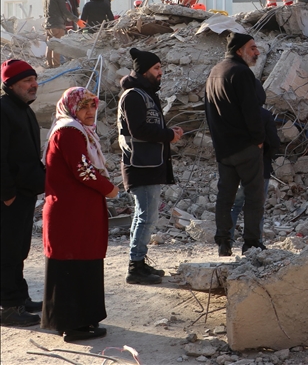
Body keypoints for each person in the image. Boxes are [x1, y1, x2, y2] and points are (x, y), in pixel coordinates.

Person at [42, 87, 119, 342]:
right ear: (71, 108)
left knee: (81, 262)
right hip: (71, 214)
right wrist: (109, 189)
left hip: (78, 212)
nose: (90, 111)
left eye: (92, 105)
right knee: (73, 264)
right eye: (83, 106)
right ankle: (73, 324)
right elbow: (83, 169)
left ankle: (82, 320)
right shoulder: (69, 131)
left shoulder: (79, 131)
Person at [118, 48, 183, 285]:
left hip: (148, 163)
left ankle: (139, 261)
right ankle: (135, 267)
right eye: (156, 68)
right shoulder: (134, 96)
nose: (160, 72)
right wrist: (168, 135)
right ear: (144, 71)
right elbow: (139, 130)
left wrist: (169, 133)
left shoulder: (144, 94)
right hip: (141, 165)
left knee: (143, 215)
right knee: (147, 216)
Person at [204, 32, 267, 256]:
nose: (257, 52)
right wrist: (258, 139)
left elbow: (208, 112)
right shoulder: (241, 72)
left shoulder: (215, 71)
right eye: (252, 48)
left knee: (226, 196)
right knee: (254, 196)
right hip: (245, 147)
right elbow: (251, 110)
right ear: (239, 50)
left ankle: (223, 242)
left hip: (224, 148)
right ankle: (251, 242)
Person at [0, 60, 44, 327]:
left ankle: (20, 298)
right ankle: (8, 307)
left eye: (34, 79)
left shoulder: (23, 109)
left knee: (19, 249)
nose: (34, 85)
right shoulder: (3, 109)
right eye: (27, 81)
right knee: (7, 251)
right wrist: (7, 194)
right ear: (11, 84)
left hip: (24, 193)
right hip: (10, 197)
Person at [230, 108, 279, 242]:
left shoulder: (234, 114)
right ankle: (255, 242)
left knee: (235, 205)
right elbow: (274, 142)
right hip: (261, 167)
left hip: (239, 167)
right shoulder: (265, 115)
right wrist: (267, 156)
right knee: (257, 206)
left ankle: (227, 241)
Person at [43, 0, 82, 67]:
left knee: (49, 45)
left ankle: (49, 64)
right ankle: (56, 65)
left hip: (48, 25)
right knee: (57, 45)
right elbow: (65, 12)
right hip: (58, 25)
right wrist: (77, 20)